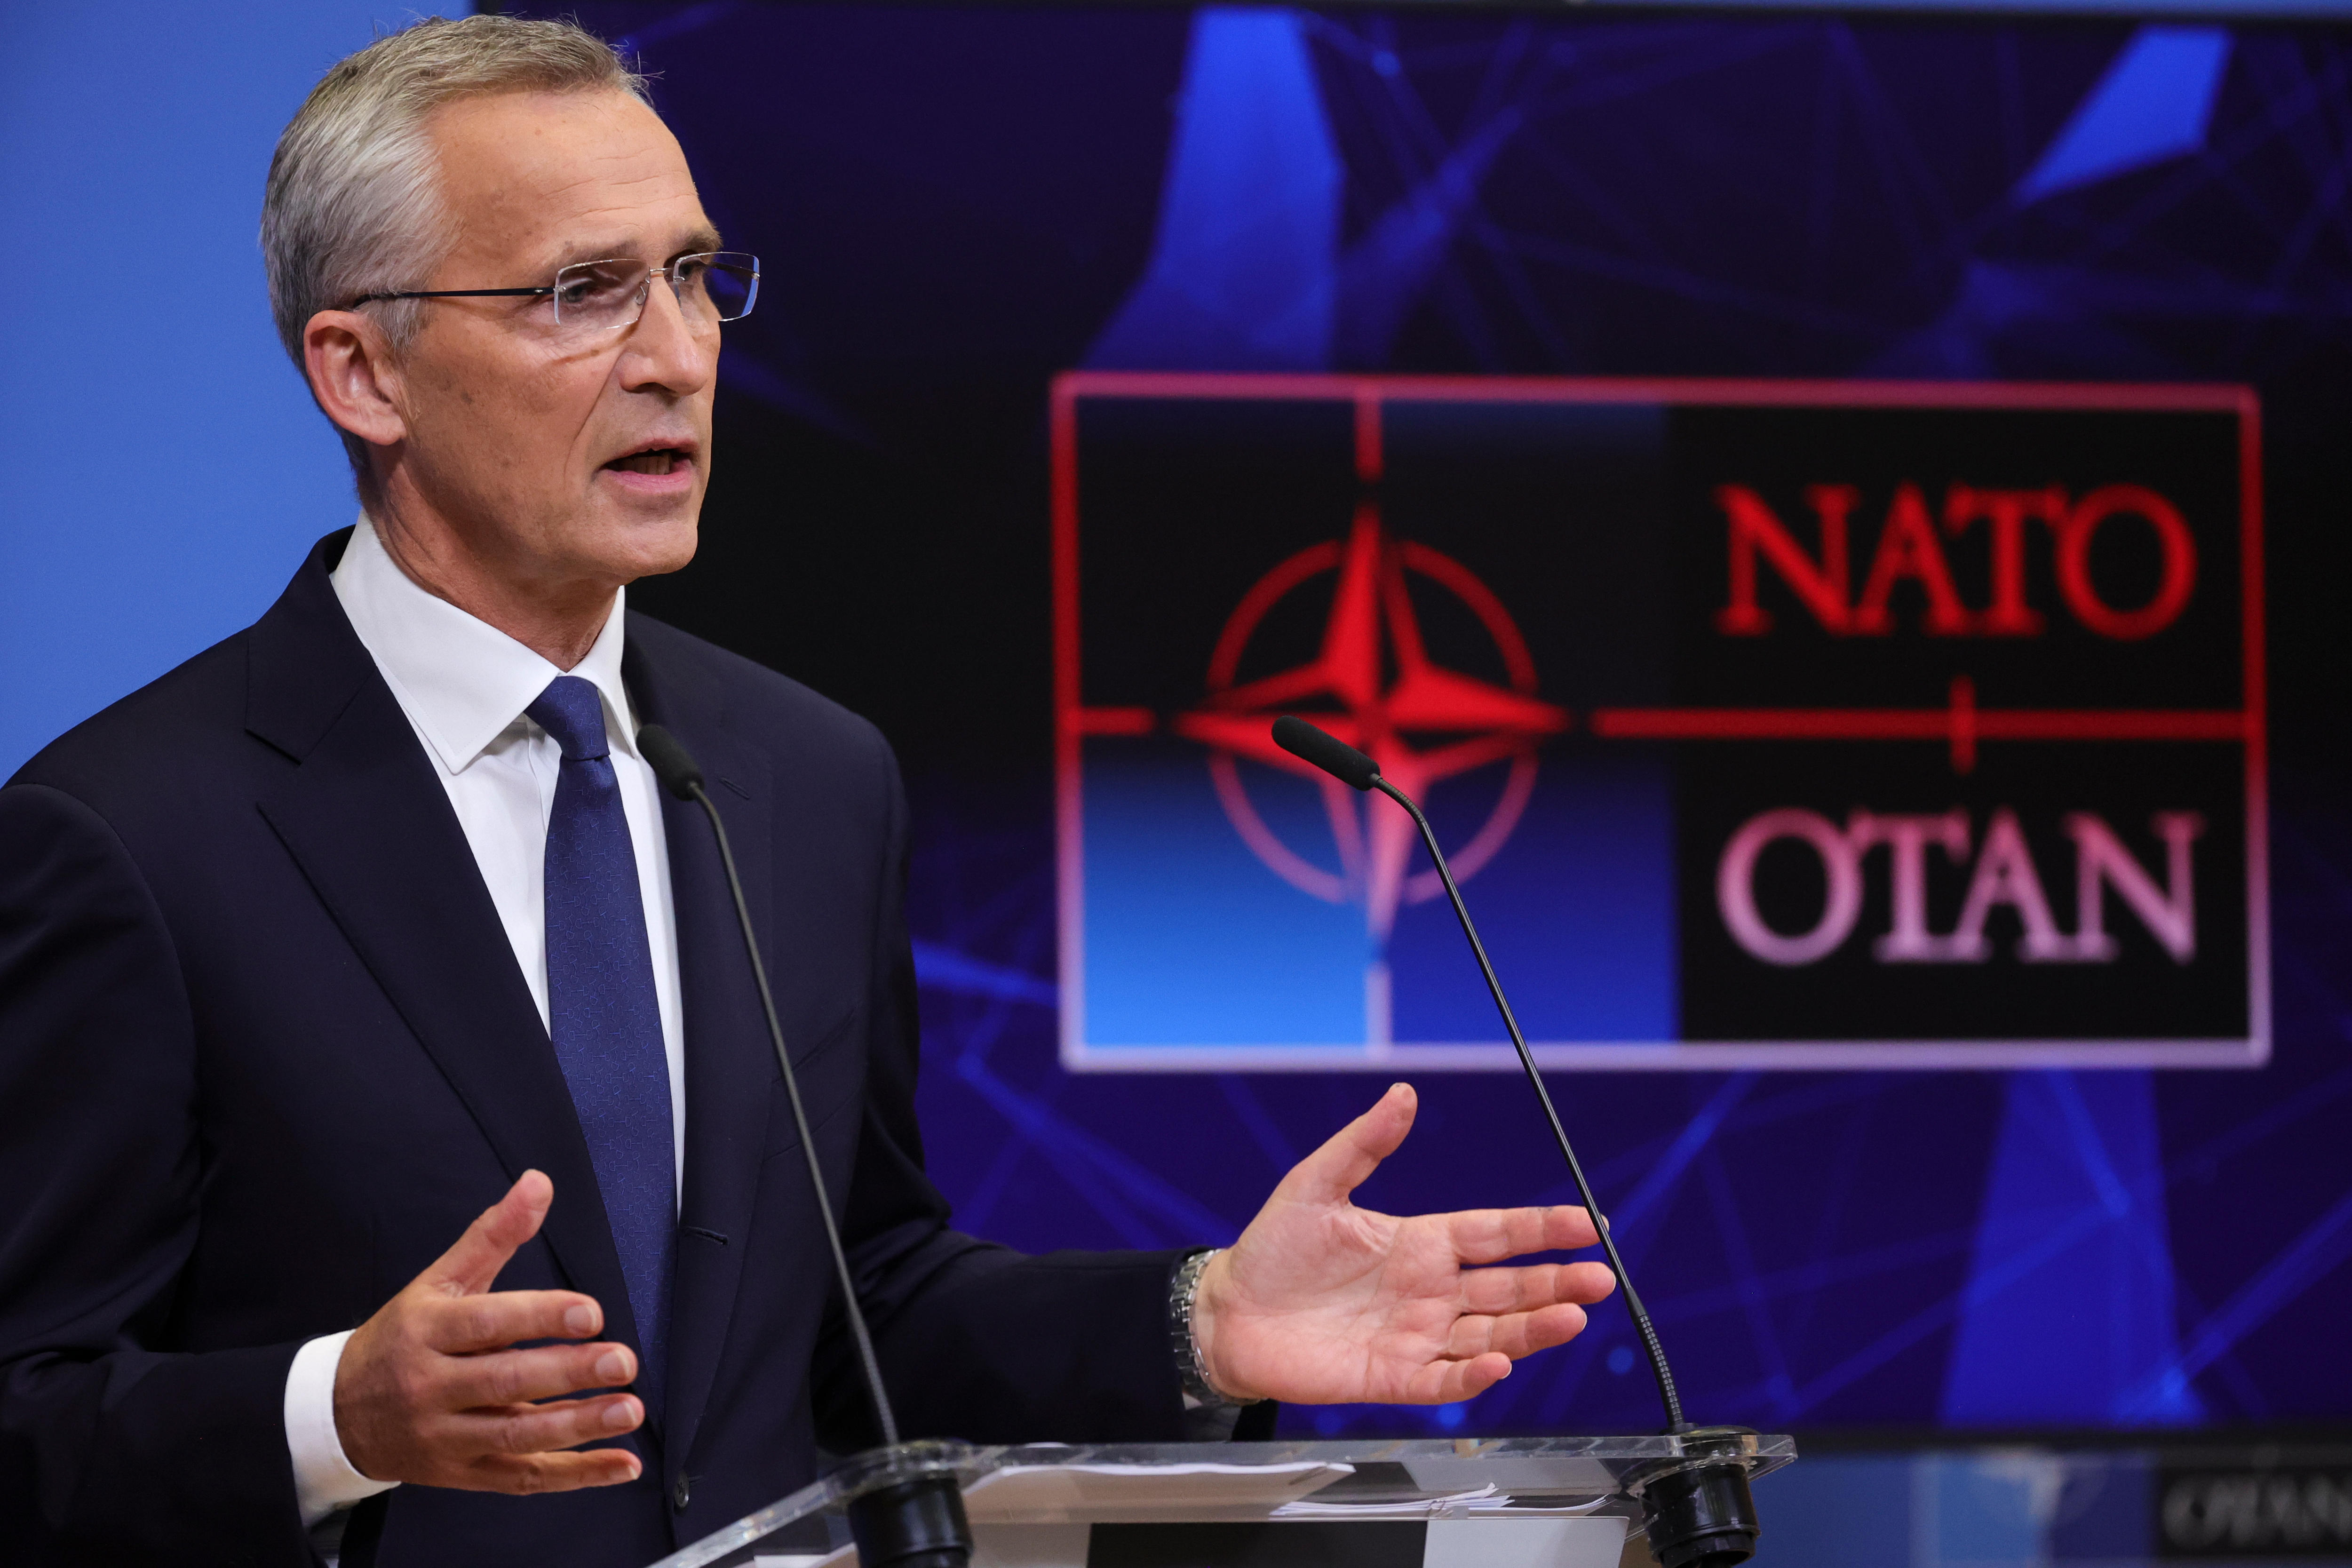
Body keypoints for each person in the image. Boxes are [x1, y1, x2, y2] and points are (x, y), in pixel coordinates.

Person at [0, 16, 1616, 1567]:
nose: (677, 358)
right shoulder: (133, 836)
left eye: (696, 280)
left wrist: (1200, 1322)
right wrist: (333, 1415)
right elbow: (29, 1421)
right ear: (362, 373)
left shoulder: (811, 776)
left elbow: (863, 1303)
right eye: (582, 293)